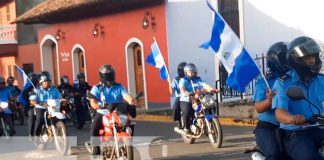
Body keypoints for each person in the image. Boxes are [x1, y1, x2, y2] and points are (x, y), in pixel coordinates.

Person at [272, 36, 324, 160]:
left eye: (313, 56)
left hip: (320, 130)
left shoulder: (321, 80)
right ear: (296, 60)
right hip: (297, 134)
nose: (312, 61)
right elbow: (279, 113)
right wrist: (293, 118)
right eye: (307, 57)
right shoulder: (283, 83)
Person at [88, 64, 139, 155]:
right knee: (94, 125)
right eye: (107, 75)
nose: (109, 77)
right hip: (103, 112)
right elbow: (93, 102)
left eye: (111, 74)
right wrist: (98, 106)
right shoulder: (97, 88)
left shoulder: (119, 87)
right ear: (102, 76)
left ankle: (127, 142)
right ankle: (94, 146)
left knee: (130, 123)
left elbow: (126, 96)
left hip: (118, 111)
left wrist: (132, 101)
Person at [253, 42, 290, 160]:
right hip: (268, 126)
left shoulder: (295, 78)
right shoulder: (264, 82)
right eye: (286, 58)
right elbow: (258, 107)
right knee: (274, 154)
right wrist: (269, 101)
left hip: (291, 125)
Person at [179, 63, 218, 135]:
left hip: (197, 99)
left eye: (192, 71)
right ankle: (187, 128)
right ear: (186, 72)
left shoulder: (198, 80)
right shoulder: (183, 80)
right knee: (187, 112)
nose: (191, 73)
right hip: (186, 100)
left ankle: (206, 123)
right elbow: (182, 89)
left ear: (195, 72)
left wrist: (212, 89)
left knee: (210, 106)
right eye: (189, 71)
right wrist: (186, 93)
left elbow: (205, 85)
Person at [29, 71, 62, 141]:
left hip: (53, 107)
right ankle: (36, 136)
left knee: (61, 117)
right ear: (41, 82)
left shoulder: (55, 90)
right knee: (40, 119)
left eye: (48, 81)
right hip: (41, 108)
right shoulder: (36, 90)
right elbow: (32, 101)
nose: (46, 83)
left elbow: (60, 98)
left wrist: (63, 100)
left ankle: (61, 132)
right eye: (45, 81)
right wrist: (37, 102)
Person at [21, 72, 39, 138]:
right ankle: (31, 134)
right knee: (31, 115)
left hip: (41, 104)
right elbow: (23, 95)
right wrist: (30, 95)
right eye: (32, 79)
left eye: (35, 79)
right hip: (30, 106)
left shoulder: (40, 87)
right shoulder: (26, 88)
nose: (34, 80)